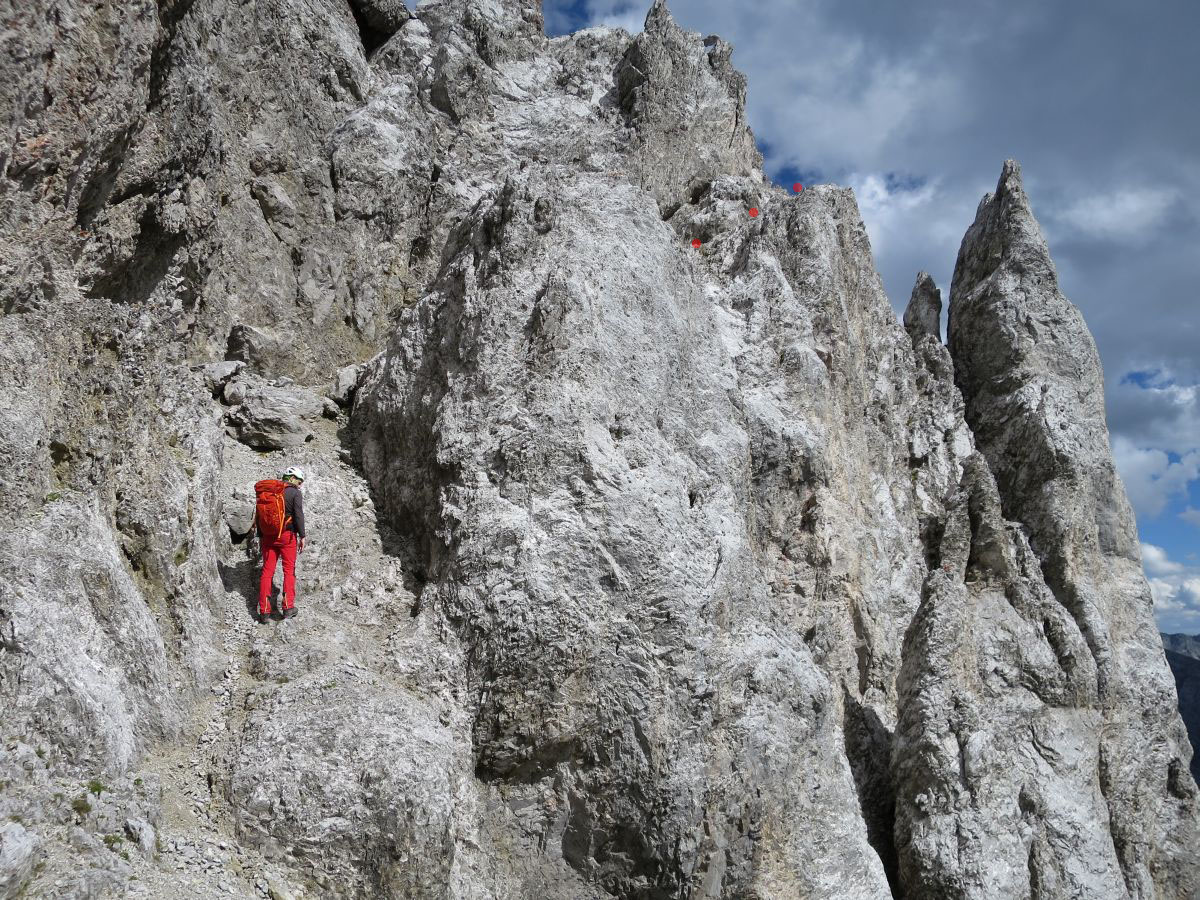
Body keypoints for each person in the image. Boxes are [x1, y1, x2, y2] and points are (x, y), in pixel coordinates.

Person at [252, 466, 307, 623]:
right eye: (299, 480)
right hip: (287, 537)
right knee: (289, 571)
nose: (300, 484)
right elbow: (298, 515)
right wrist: (302, 535)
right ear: (292, 478)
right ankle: (288, 607)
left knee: (267, 572)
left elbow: (259, 514)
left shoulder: (270, 492)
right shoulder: (294, 493)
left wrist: (261, 535)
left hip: (268, 537)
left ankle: (264, 611)